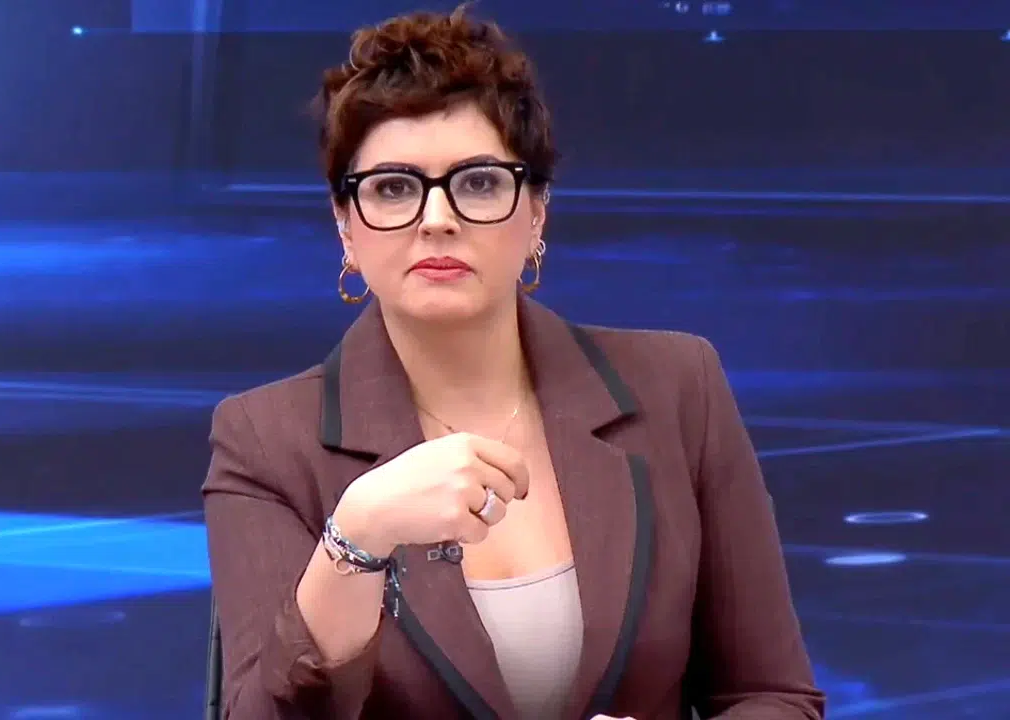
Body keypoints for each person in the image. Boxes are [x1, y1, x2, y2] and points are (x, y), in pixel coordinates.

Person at [202, 6, 825, 719]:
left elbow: (773, 695)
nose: (437, 218)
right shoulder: (263, 441)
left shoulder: (679, 387)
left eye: (478, 183)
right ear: (346, 226)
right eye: (394, 188)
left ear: (536, 213)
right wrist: (357, 537)